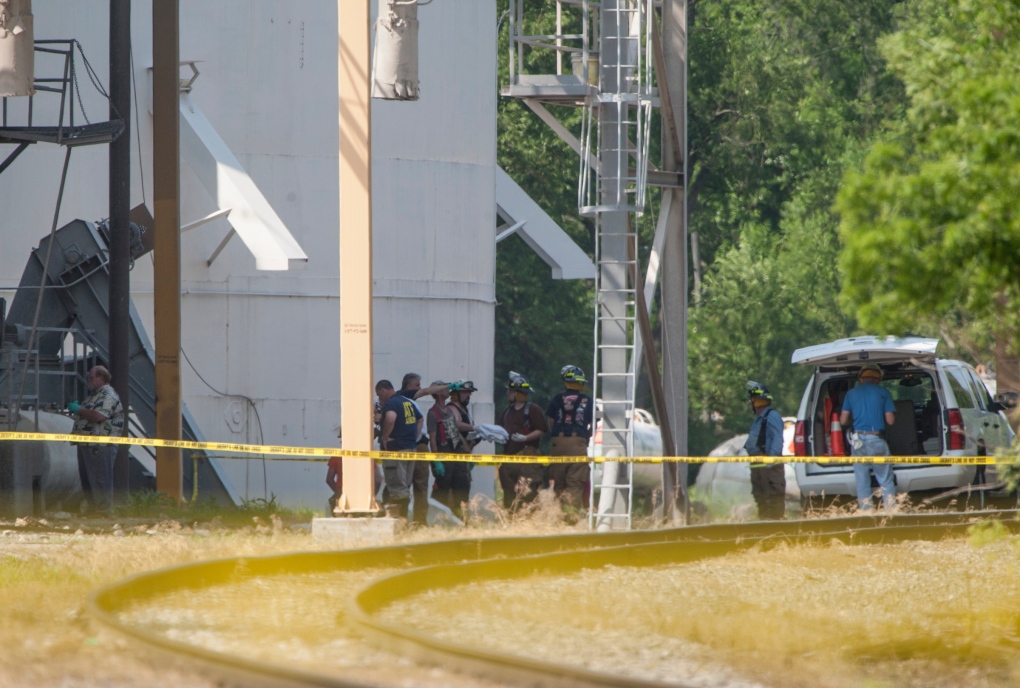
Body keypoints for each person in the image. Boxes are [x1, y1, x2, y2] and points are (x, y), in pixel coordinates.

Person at [68, 365, 124, 515]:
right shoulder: (95, 395)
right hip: (88, 443)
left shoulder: (107, 395)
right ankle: (94, 510)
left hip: (100, 445)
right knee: (88, 479)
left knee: (100, 479)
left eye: (91, 378)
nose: (89, 380)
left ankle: (103, 512)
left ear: (101, 378)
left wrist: (79, 409)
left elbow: (99, 416)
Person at [840, 363, 897, 511]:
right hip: (876, 439)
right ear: (878, 378)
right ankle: (890, 513)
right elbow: (891, 421)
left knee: (862, 480)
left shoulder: (851, 394)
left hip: (858, 441)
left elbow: (843, 421)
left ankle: (866, 514)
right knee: (885, 479)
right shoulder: (883, 392)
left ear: (861, 378)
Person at [394, 373, 446, 526]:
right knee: (415, 485)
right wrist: (448, 386)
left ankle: (411, 521)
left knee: (412, 485)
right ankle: (417, 521)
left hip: (412, 446)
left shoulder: (402, 401)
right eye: (417, 385)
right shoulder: (405, 396)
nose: (420, 388)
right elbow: (425, 392)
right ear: (409, 387)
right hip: (415, 445)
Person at [546, 365, 594, 515]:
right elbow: (594, 423)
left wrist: (556, 435)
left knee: (559, 482)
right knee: (575, 482)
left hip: (558, 443)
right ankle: (570, 518)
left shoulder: (556, 399)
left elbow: (551, 420)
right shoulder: (588, 401)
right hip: (578, 442)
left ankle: (559, 515)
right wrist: (586, 436)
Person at [497, 371, 548, 511]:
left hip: (527, 458)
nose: (508, 394)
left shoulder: (533, 410)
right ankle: (512, 521)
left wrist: (525, 438)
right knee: (509, 495)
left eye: (510, 391)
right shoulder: (506, 412)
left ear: (517, 393)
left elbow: (541, 430)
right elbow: (499, 429)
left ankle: (530, 521)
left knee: (528, 494)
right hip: (509, 459)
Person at [427, 380, 475, 520]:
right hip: (444, 456)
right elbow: (432, 439)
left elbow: (457, 434)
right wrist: (437, 461)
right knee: (441, 492)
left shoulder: (449, 411)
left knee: (461, 489)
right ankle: (436, 521)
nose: (448, 390)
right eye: (444, 388)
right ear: (438, 393)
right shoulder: (432, 413)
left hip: (457, 455)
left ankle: (461, 521)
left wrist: (468, 454)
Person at [377, 379, 423, 519]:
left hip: (396, 450)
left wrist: (385, 438)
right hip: (411, 449)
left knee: (396, 488)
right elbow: (420, 419)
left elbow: (390, 419)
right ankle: (401, 520)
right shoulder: (407, 402)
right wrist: (413, 437)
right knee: (405, 486)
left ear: (384, 390)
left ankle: (397, 521)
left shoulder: (392, 403)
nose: (380, 398)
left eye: (379, 395)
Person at [743, 381, 786, 520]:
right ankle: (764, 526)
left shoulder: (772, 416)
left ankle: (775, 527)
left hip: (769, 465)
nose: (751, 403)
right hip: (758, 465)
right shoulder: (758, 418)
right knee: (760, 497)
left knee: (773, 498)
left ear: (757, 401)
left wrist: (770, 461)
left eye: (752, 400)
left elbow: (778, 440)